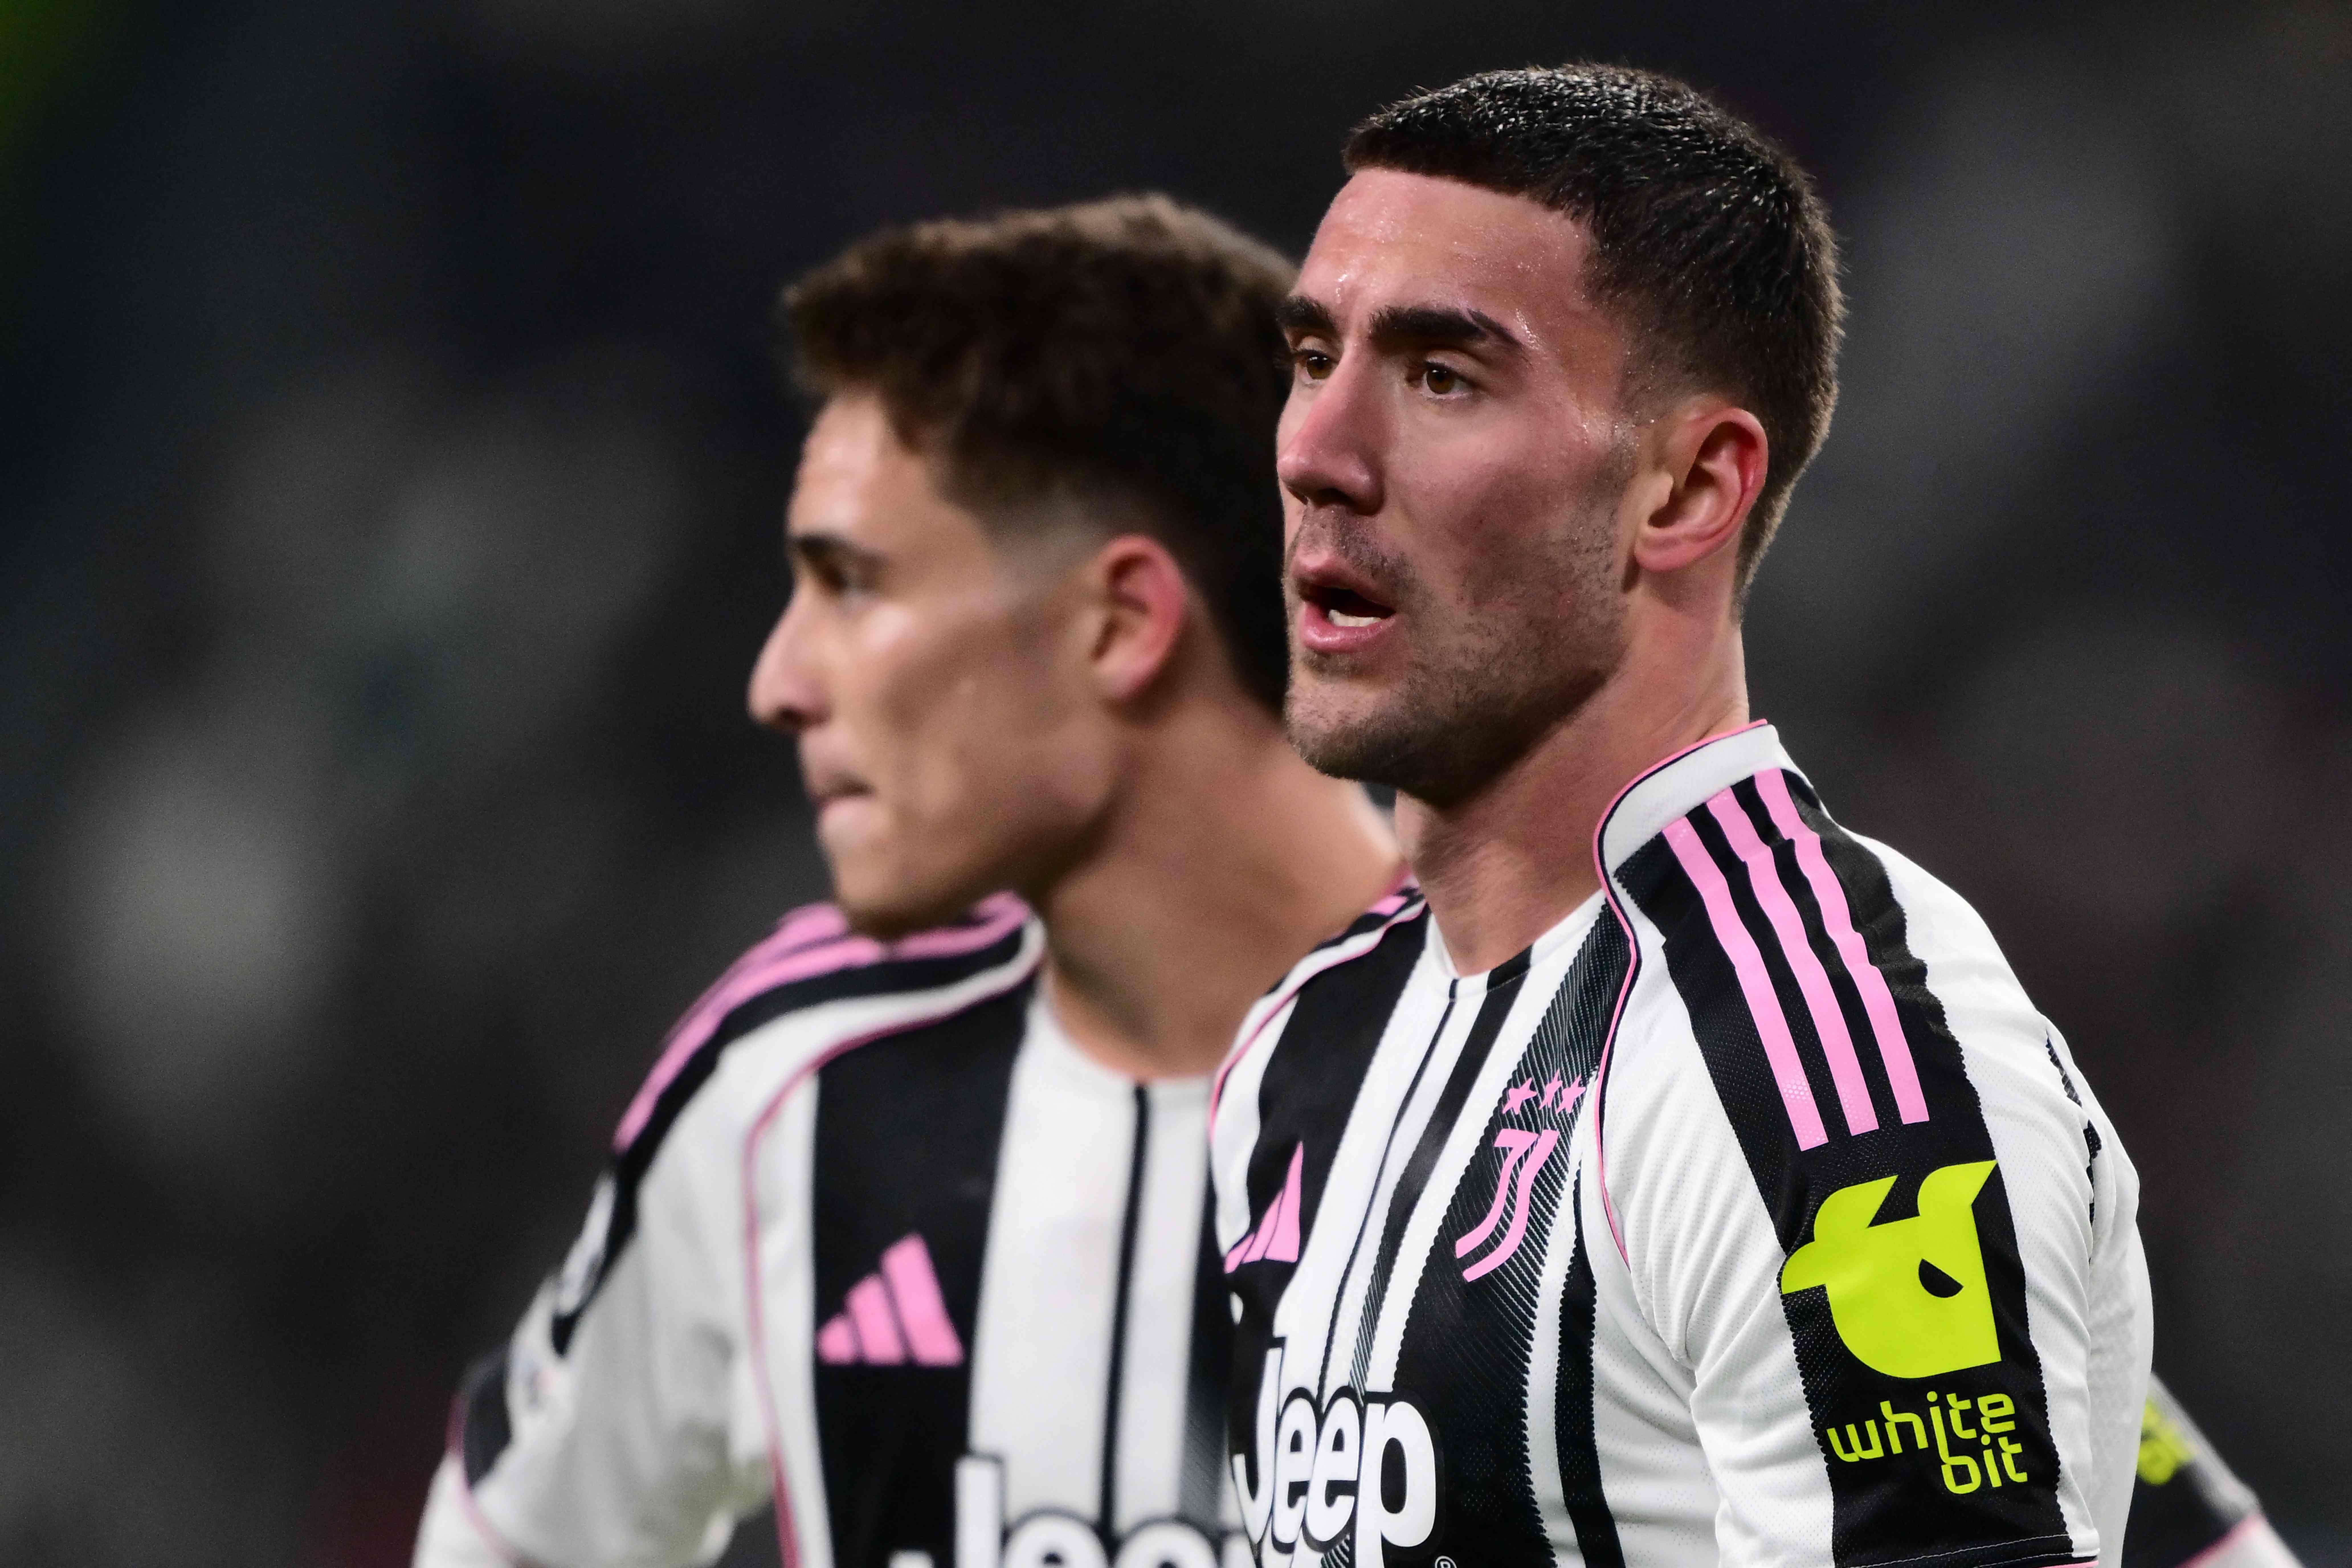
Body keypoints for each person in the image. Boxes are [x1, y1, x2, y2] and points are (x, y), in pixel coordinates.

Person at [1210, 64, 2176, 1568]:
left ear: (1685, 490)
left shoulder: (1824, 1068)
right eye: (1313, 358)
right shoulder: (1303, 1049)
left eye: (1441, 377)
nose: (1314, 452)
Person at [413, 195, 1401, 1568]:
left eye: (855, 586)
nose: (781, 682)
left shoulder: (1613, 1065)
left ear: (1119, 624)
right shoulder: (799, 1090)